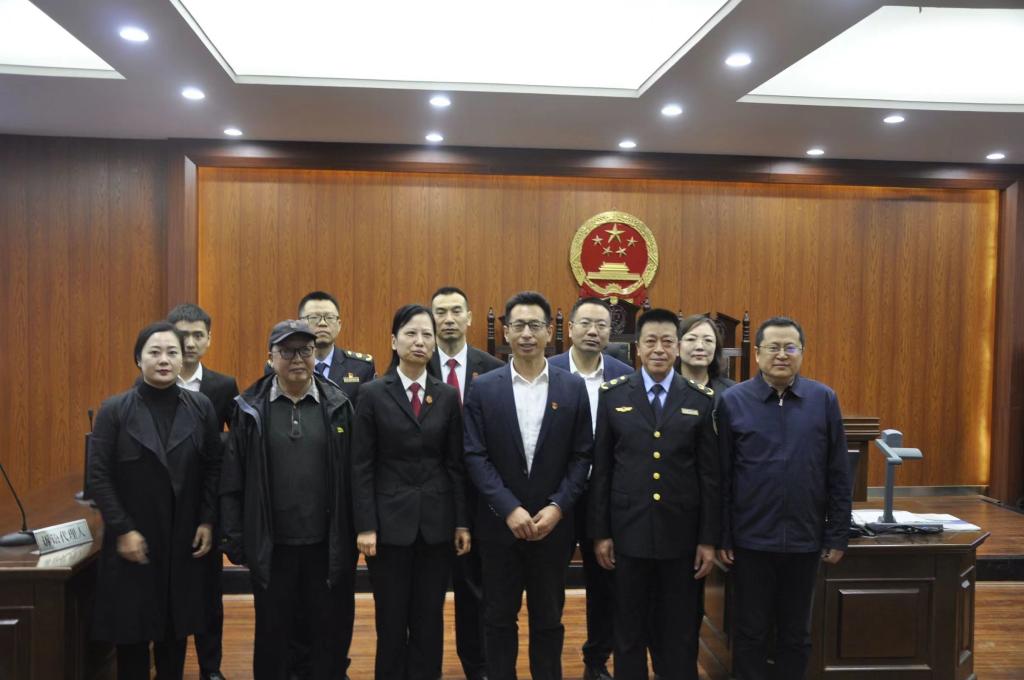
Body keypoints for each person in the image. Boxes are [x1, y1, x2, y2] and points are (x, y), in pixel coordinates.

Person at [464, 291, 593, 680]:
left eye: (534, 325)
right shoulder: (484, 387)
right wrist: (509, 508)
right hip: (499, 527)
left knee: (548, 620)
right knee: (498, 618)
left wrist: (557, 507)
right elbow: (475, 456)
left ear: (549, 331)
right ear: (505, 331)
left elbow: (582, 456)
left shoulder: (572, 388)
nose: (526, 334)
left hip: (553, 529)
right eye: (518, 325)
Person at [716, 316, 851, 680]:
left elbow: (839, 472)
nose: (782, 355)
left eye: (790, 347)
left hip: (805, 540)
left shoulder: (823, 399)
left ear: (802, 352)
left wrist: (838, 534)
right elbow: (723, 477)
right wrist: (724, 535)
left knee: (796, 634)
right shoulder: (733, 401)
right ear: (757, 354)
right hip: (750, 540)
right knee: (750, 632)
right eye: (773, 347)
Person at [221, 320, 356, 680]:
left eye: (305, 350)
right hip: (272, 544)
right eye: (287, 351)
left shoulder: (339, 405)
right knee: (273, 634)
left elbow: (353, 476)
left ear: (315, 355)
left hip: (325, 544)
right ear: (270, 357)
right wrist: (235, 538)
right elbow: (232, 479)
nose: (297, 358)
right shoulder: (248, 408)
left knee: (326, 632)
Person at [589, 308, 719, 680]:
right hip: (628, 534)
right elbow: (603, 470)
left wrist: (708, 539)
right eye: (651, 341)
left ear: (677, 348)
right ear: (637, 348)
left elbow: (709, 477)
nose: (659, 349)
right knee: (628, 629)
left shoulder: (699, 398)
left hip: (681, 538)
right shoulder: (613, 395)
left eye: (666, 341)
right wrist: (601, 533)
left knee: (678, 631)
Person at [88, 321, 221, 680]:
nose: (164, 360)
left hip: (182, 539)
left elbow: (213, 468)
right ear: (138, 358)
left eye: (172, 352)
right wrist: (124, 530)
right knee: (131, 637)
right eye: (155, 352)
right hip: (133, 541)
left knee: (174, 635)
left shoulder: (201, 407)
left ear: (182, 360)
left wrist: (207, 519)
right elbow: (98, 477)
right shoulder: (115, 409)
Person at [353, 304, 471, 680]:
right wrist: (365, 525)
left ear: (434, 344)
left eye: (426, 335)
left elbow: (455, 464)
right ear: (394, 341)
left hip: (436, 526)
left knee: (429, 619)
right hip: (388, 528)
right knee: (390, 620)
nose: (419, 341)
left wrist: (461, 522)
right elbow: (361, 465)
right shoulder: (372, 393)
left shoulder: (447, 396)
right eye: (411, 333)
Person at [549, 297, 632, 680]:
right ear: (569, 329)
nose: (593, 331)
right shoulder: (548, 370)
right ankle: (547, 661)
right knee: (549, 581)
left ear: (610, 333)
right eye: (585, 323)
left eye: (601, 325)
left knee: (605, 583)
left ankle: (596, 661)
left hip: (606, 496)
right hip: (558, 495)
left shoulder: (624, 375)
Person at [427, 285, 504, 680]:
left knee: (475, 589)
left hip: (478, 498)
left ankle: (478, 666)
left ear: (470, 317)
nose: (449, 319)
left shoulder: (492, 368)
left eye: (456, 310)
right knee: (426, 591)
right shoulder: (414, 364)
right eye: (440, 312)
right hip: (429, 495)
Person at [168, 302, 239, 680]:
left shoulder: (222, 386)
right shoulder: (153, 380)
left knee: (210, 593)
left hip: (207, 503)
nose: (190, 343)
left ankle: (211, 669)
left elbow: (236, 446)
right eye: (182, 335)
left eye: (198, 335)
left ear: (209, 339)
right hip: (166, 506)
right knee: (171, 594)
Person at [296, 290, 376, 403]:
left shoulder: (361, 367)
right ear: (299, 324)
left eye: (329, 317)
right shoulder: (286, 366)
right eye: (314, 317)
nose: (322, 323)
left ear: (339, 325)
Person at [677, 314, 736, 398]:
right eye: (691, 339)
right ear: (677, 347)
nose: (700, 347)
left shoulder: (731, 392)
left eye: (708, 340)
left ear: (716, 348)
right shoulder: (663, 388)